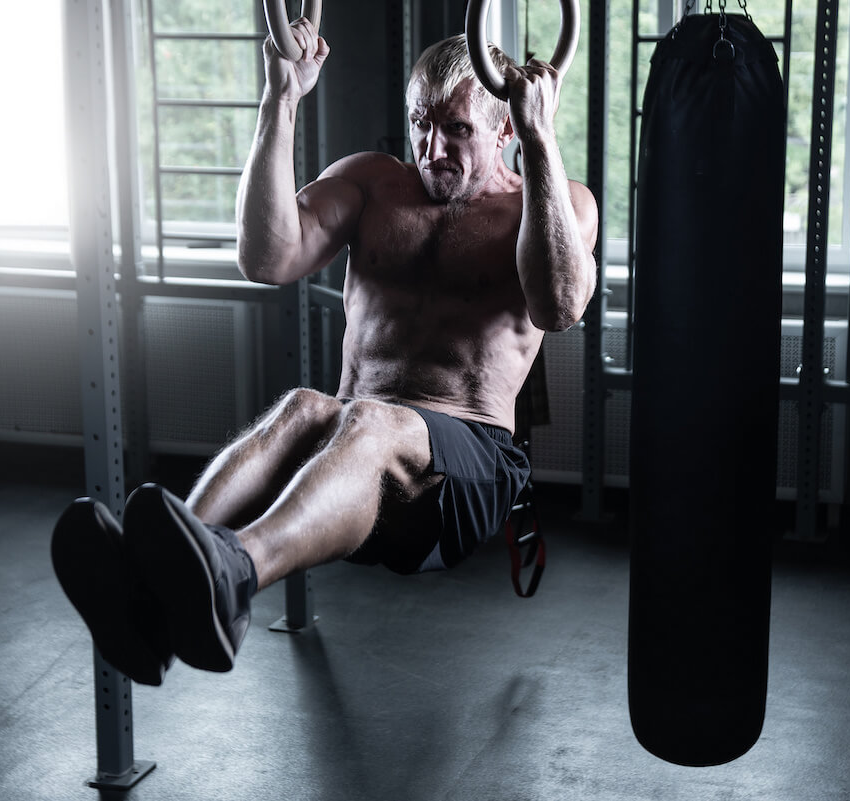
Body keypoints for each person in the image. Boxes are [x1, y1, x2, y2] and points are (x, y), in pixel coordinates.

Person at [51, 21, 598, 686]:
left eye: (458, 129)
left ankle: (235, 572)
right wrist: (278, 104)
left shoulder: (554, 203)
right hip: (357, 458)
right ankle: (152, 581)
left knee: (366, 417)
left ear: (504, 131)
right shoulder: (371, 184)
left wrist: (543, 144)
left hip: (466, 474)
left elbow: (560, 305)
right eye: (421, 123)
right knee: (304, 406)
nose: (433, 147)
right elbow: (266, 256)